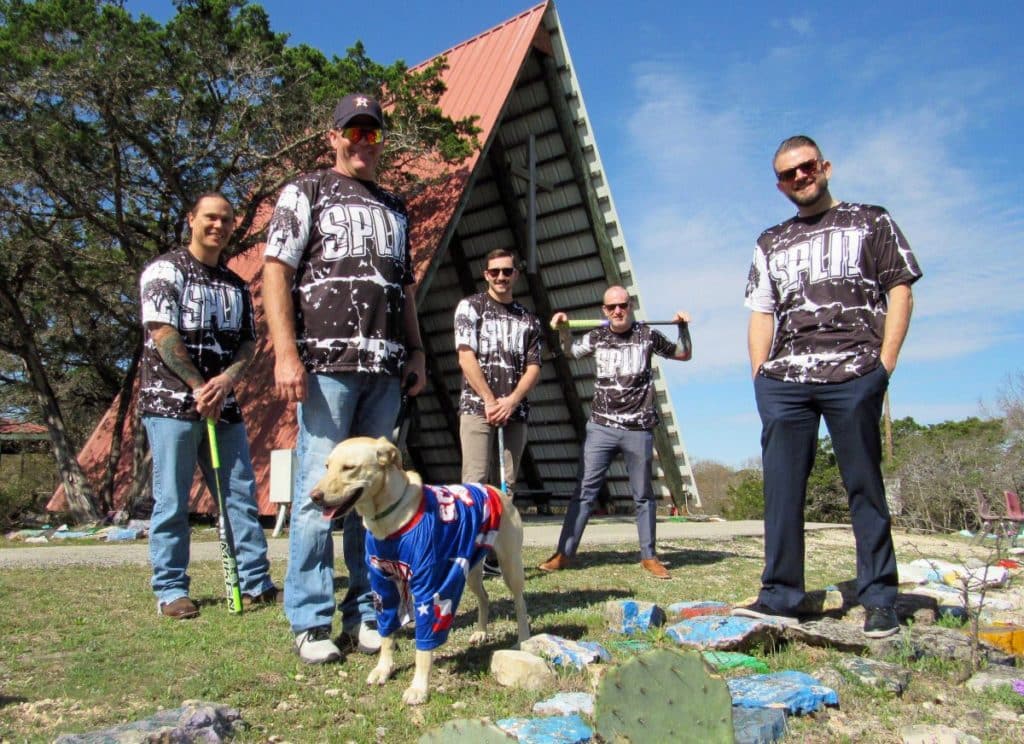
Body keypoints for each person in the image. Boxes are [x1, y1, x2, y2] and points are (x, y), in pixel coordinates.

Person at [734, 135, 921, 638]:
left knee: (864, 483)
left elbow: (899, 290)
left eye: (807, 166)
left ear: (826, 167)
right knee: (781, 489)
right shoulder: (770, 240)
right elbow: (761, 311)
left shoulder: (870, 220)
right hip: (786, 379)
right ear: (780, 184)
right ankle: (780, 595)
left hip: (855, 372)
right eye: (789, 173)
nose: (800, 176)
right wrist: (760, 376)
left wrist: (884, 364)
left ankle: (880, 597)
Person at [263, 93, 426, 664]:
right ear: (333, 136)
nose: (362, 141)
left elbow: (404, 289)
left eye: (373, 133)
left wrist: (417, 351)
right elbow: (276, 270)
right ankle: (310, 621)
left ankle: (368, 614)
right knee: (319, 491)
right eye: (352, 131)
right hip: (327, 368)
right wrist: (286, 352)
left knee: (371, 497)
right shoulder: (304, 190)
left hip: (384, 369)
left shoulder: (396, 207)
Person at [139, 192, 278, 620]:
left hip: (224, 405)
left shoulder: (235, 285)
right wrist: (200, 385)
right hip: (170, 404)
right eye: (210, 218)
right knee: (172, 498)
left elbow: (248, 343)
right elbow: (163, 333)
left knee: (239, 493)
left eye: (226, 220)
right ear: (192, 220)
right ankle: (171, 589)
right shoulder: (164, 271)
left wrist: (226, 381)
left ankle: (256, 581)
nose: (218, 225)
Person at [538, 287, 692, 579]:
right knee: (584, 492)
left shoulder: (648, 335)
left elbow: (683, 354)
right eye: (611, 308)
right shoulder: (598, 335)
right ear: (604, 310)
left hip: (639, 428)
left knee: (643, 495)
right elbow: (570, 351)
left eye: (622, 305)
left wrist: (683, 329)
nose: (617, 311)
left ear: (630, 305)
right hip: (601, 427)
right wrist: (563, 329)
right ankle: (564, 554)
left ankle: (649, 556)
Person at [454, 248, 543, 575]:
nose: (501, 277)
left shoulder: (528, 318)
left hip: (515, 411)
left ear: (516, 274)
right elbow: (465, 356)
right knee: (474, 483)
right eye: (495, 272)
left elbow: (534, 367)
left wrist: (512, 401)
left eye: (507, 271)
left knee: (506, 484)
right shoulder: (470, 307)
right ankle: (467, 554)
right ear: (486, 274)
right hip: (477, 408)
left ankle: (495, 556)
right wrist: (491, 400)